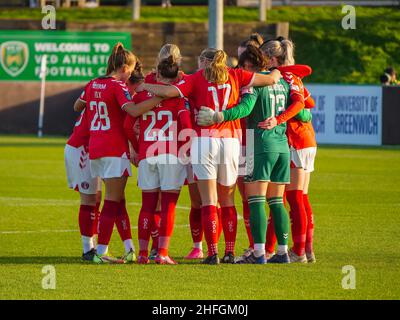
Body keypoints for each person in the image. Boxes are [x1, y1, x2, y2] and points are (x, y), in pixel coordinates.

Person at [138, 48, 281, 264]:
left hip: (204, 141)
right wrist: (278, 72)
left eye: (199, 60)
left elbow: (168, 93)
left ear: (205, 61)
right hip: (231, 141)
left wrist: (144, 85)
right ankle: (229, 252)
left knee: (209, 201)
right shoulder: (236, 74)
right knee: (228, 200)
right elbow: (270, 80)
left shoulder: (197, 78)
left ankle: (212, 252)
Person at [196, 45, 295, 264]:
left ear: (252, 67)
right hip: (282, 145)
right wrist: (279, 120)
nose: (242, 69)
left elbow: (246, 108)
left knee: (256, 200)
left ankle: (258, 253)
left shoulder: (252, 85)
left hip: (259, 143)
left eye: (245, 66)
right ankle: (283, 251)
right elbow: (303, 110)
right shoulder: (284, 83)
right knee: (277, 201)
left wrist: (219, 115)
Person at [73, 42, 163, 264]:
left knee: (117, 199)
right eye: (130, 71)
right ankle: (101, 252)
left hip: (96, 148)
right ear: (123, 68)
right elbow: (132, 110)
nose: (130, 75)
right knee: (112, 201)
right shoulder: (117, 86)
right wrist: (160, 98)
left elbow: (77, 106)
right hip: (114, 148)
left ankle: (128, 248)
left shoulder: (93, 83)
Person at [124, 55, 192, 264]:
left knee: (147, 206)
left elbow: (127, 126)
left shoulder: (141, 94)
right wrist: (187, 152)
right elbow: (187, 127)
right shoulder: (177, 97)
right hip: (171, 155)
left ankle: (143, 254)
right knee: (168, 207)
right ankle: (162, 253)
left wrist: (136, 149)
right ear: (176, 77)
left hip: (148, 154)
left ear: (157, 73)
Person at [259, 38, 317, 263]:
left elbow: (303, 105)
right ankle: (305, 249)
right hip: (304, 139)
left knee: (291, 198)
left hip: (295, 141)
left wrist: (281, 117)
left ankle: (298, 251)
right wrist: (302, 112)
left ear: (273, 59)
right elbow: (308, 102)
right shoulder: (290, 76)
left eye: (265, 58)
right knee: (298, 197)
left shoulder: (285, 76)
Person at [64, 105, 102, 262]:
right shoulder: (112, 92)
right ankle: (87, 249)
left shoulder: (98, 91)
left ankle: (96, 246)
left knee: (97, 199)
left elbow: (78, 103)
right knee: (89, 200)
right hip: (82, 150)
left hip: (94, 149)